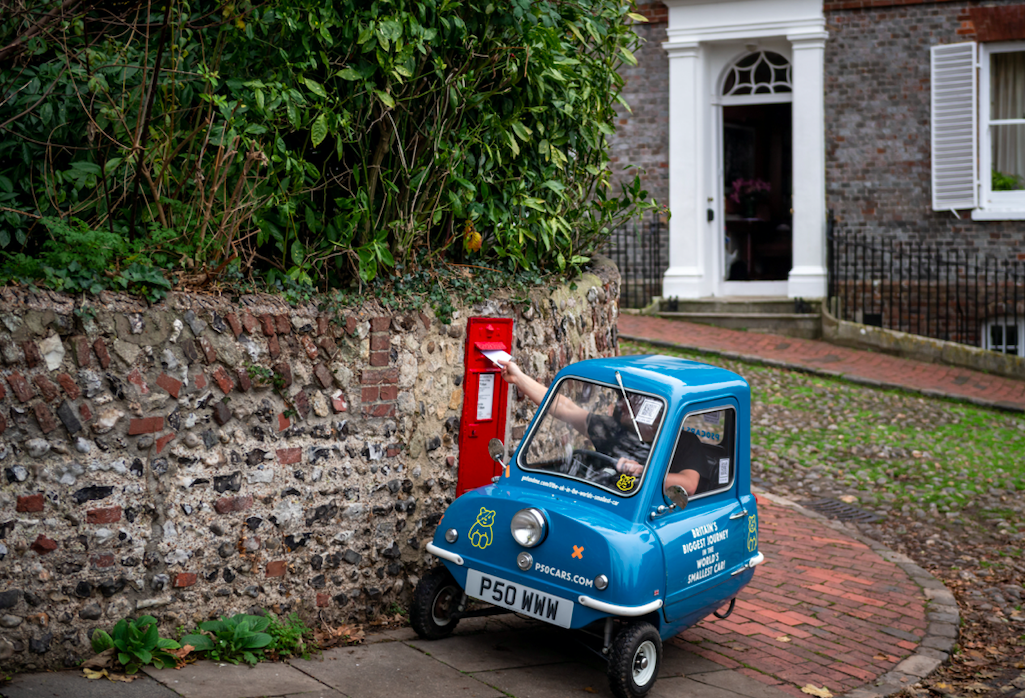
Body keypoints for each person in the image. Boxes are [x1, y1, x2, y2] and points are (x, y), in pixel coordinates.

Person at [499, 360, 706, 496]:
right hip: (597, 496)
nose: (621, 404)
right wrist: (518, 378)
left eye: (633, 401)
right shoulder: (610, 429)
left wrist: (642, 471)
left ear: (655, 410)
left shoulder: (683, 442)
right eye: (624, 399)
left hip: (643, 508)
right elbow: (563, 407)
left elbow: (688, 484)